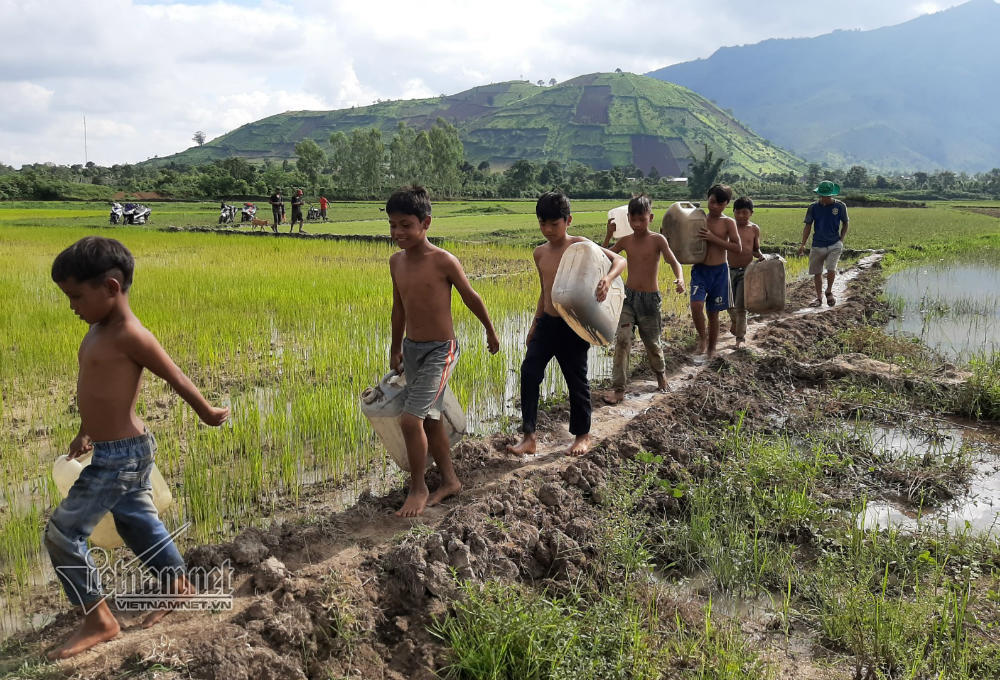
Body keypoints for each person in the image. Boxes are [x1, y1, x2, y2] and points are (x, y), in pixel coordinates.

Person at [45, 236, 230, 660]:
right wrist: (84, 430)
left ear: (111, 287)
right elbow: (96, 391)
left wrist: (206, 411)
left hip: (120, 456)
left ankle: (98, 619)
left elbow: (175, 377)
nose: (72, 305)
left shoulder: (131, 334)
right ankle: (178, 586)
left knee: (62, 533)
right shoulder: (98, 329)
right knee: (136, 521)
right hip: (115, 448)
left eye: (76, 295)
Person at [387, 186, 500, 517]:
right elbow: (398, 309)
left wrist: (491, 331)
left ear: (426, 223)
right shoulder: (396, 262)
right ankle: (450, 481)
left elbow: (471, 297)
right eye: (392, 225)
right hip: (412, 349)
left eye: (406, 225)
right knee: (431, 419)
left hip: (441, 351)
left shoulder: (443, 261)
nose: (398, 233)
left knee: (411, 421)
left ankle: (419, 488)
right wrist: (396, 348)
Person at [507, 191, 626, 457]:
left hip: (574, 326)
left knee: (576, 380)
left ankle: (583, 436)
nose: (548, 229)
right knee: (529, 373)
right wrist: (535, 323)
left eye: (554, 224)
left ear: (568, 220)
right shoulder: (539, 253)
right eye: (543, 223)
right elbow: (544, 290)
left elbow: (620, 260)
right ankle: (529, 436)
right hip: (548, 323)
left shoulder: (582, 246)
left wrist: (607, 280)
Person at [601, 194, 685, 404]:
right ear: (627, 218)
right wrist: (608, 235)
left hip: (649, 301)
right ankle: (619, 388)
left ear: (651, 217)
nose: (637, 224)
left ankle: (660, 374)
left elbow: (674, 262)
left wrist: (680, 279)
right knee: (622, 340)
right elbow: (604, 257)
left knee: (652, 343)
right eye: (633, 219)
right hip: (628, 298)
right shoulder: (625, 240)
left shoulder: (658, 240)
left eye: (642, 219)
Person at [690, 184, 742, 359]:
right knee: (696, 306)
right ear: (708, 198)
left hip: (719, 272)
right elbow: (682, 233)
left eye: (719, 204)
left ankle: (712, 348)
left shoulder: (728, 222)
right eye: (712, 202)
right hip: (700, 270)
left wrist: (714, 238)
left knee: (713, 313)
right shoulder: (698, 219)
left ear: (726, 204)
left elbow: (737, 247)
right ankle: (702, 338)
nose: (714, 207)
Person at [798, 180, 849, 307]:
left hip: (834, 244)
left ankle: (829, 291)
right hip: (817, 244)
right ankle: (819, 297)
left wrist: (841, 240)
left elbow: (845, 223)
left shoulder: (840, 206)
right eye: (822, 195)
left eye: (827, 195)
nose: (824, 198)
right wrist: (803, 244)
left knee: (831, 269)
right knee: (817, 272)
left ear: (832, 195)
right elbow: (808, 226)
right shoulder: (813, 207)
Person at [728, 196, 764, 348]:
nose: (741, 216)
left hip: (746, 271)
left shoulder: (754, 229)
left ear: (751, 213)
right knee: (729, 305)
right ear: (733, 212)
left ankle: (740, 339)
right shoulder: (728, 227)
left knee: (741, 306)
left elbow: (755, 249)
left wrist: (761, 256)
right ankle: (735, 322)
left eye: (745, 212)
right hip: (728, 270)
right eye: (738, 212)